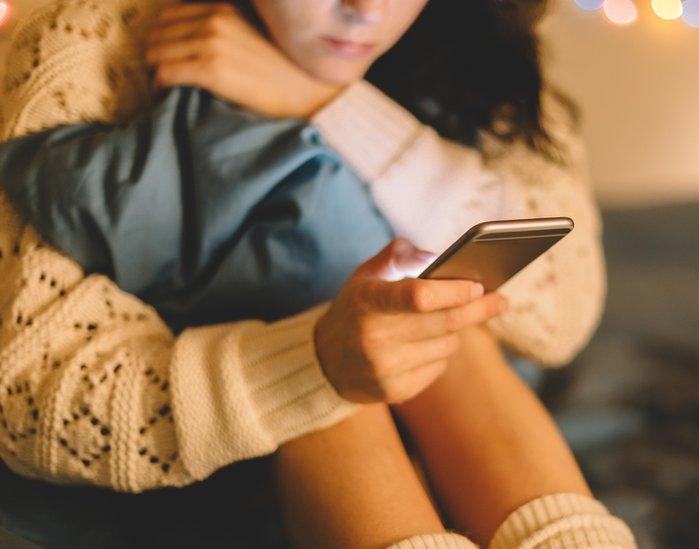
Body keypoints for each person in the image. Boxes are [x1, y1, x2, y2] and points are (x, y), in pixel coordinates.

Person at [0, 0, 636, 547]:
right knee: (350, 344)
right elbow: (26, 393)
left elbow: (564, 308)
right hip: (213, 433)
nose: (365, 9)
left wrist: (327, 101)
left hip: (449, 401)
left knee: (437, 318)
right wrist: (313, 360)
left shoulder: (483, 30)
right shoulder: (92, 33)